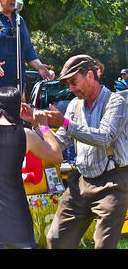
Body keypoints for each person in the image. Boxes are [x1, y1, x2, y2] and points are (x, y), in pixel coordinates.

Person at [20, 55, 128, 249]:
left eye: (73, 82)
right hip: (81, 181)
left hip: (113, 182)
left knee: (103, 245)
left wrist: (64, 122)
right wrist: (38, 126)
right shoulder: (73, 106)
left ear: (90, 75)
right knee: (56, 240)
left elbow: (104, 137)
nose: (70, 88)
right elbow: (59, 143)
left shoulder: (116, 102)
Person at [0, 86, 63, 249]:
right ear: (18, 108)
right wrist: (42, 125)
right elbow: (57, 156)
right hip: (15, 212)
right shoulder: (26, 135)